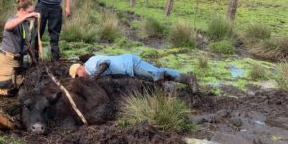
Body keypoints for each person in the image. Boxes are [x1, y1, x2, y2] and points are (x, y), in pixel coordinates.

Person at [0, 0, 40, 96]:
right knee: (8, 90)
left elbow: (27, 43)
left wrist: (33, 58)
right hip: (5, 60)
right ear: (22, 10)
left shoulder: (25, 23)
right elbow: (7, 26)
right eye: (29, 12)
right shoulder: (13, 19)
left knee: (19, 87)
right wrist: (25, 16)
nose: (31, 15)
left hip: (17, 62)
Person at [69, 54, 199, 93]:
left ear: (79, 68)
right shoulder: (91, 70)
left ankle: (189, 79)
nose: (78, 78)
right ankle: (174, 86)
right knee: (155, 75)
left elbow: (106, 63)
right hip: (129, 70)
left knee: (156, 73)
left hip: (130, 63)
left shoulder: (91, 64)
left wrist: (95, 77)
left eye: (77, 75)